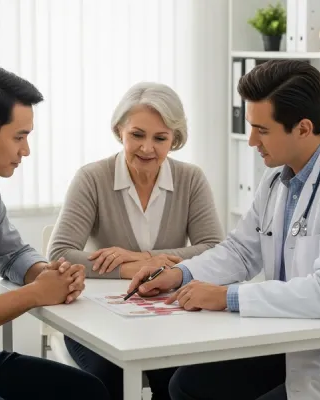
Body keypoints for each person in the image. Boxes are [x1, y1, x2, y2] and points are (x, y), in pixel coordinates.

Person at [128, 59, 320, 400]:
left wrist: (228, 297)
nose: (251, 141)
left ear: (303, 128)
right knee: (188, 385)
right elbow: (242, 251)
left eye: (263, 130)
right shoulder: (277, 175)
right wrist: (179, 273)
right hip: (288, 333)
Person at [48, 82, 224, 400]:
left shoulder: (191, 179)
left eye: (160, 138)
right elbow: (60, 253)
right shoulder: (92, 178)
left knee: (183, 380)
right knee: (108, 378)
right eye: (137, 135)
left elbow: (213, 248)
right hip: (97, 318)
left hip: (169, 317)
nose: (147, 148)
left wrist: (146, 258)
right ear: (120, 131)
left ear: (175, 139)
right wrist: (134, 268)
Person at [0, 66, 110, 400]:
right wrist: (36, 293)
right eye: (19, 137)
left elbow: (13, 253)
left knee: (89, 392)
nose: (26, 150)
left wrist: (46, 273)